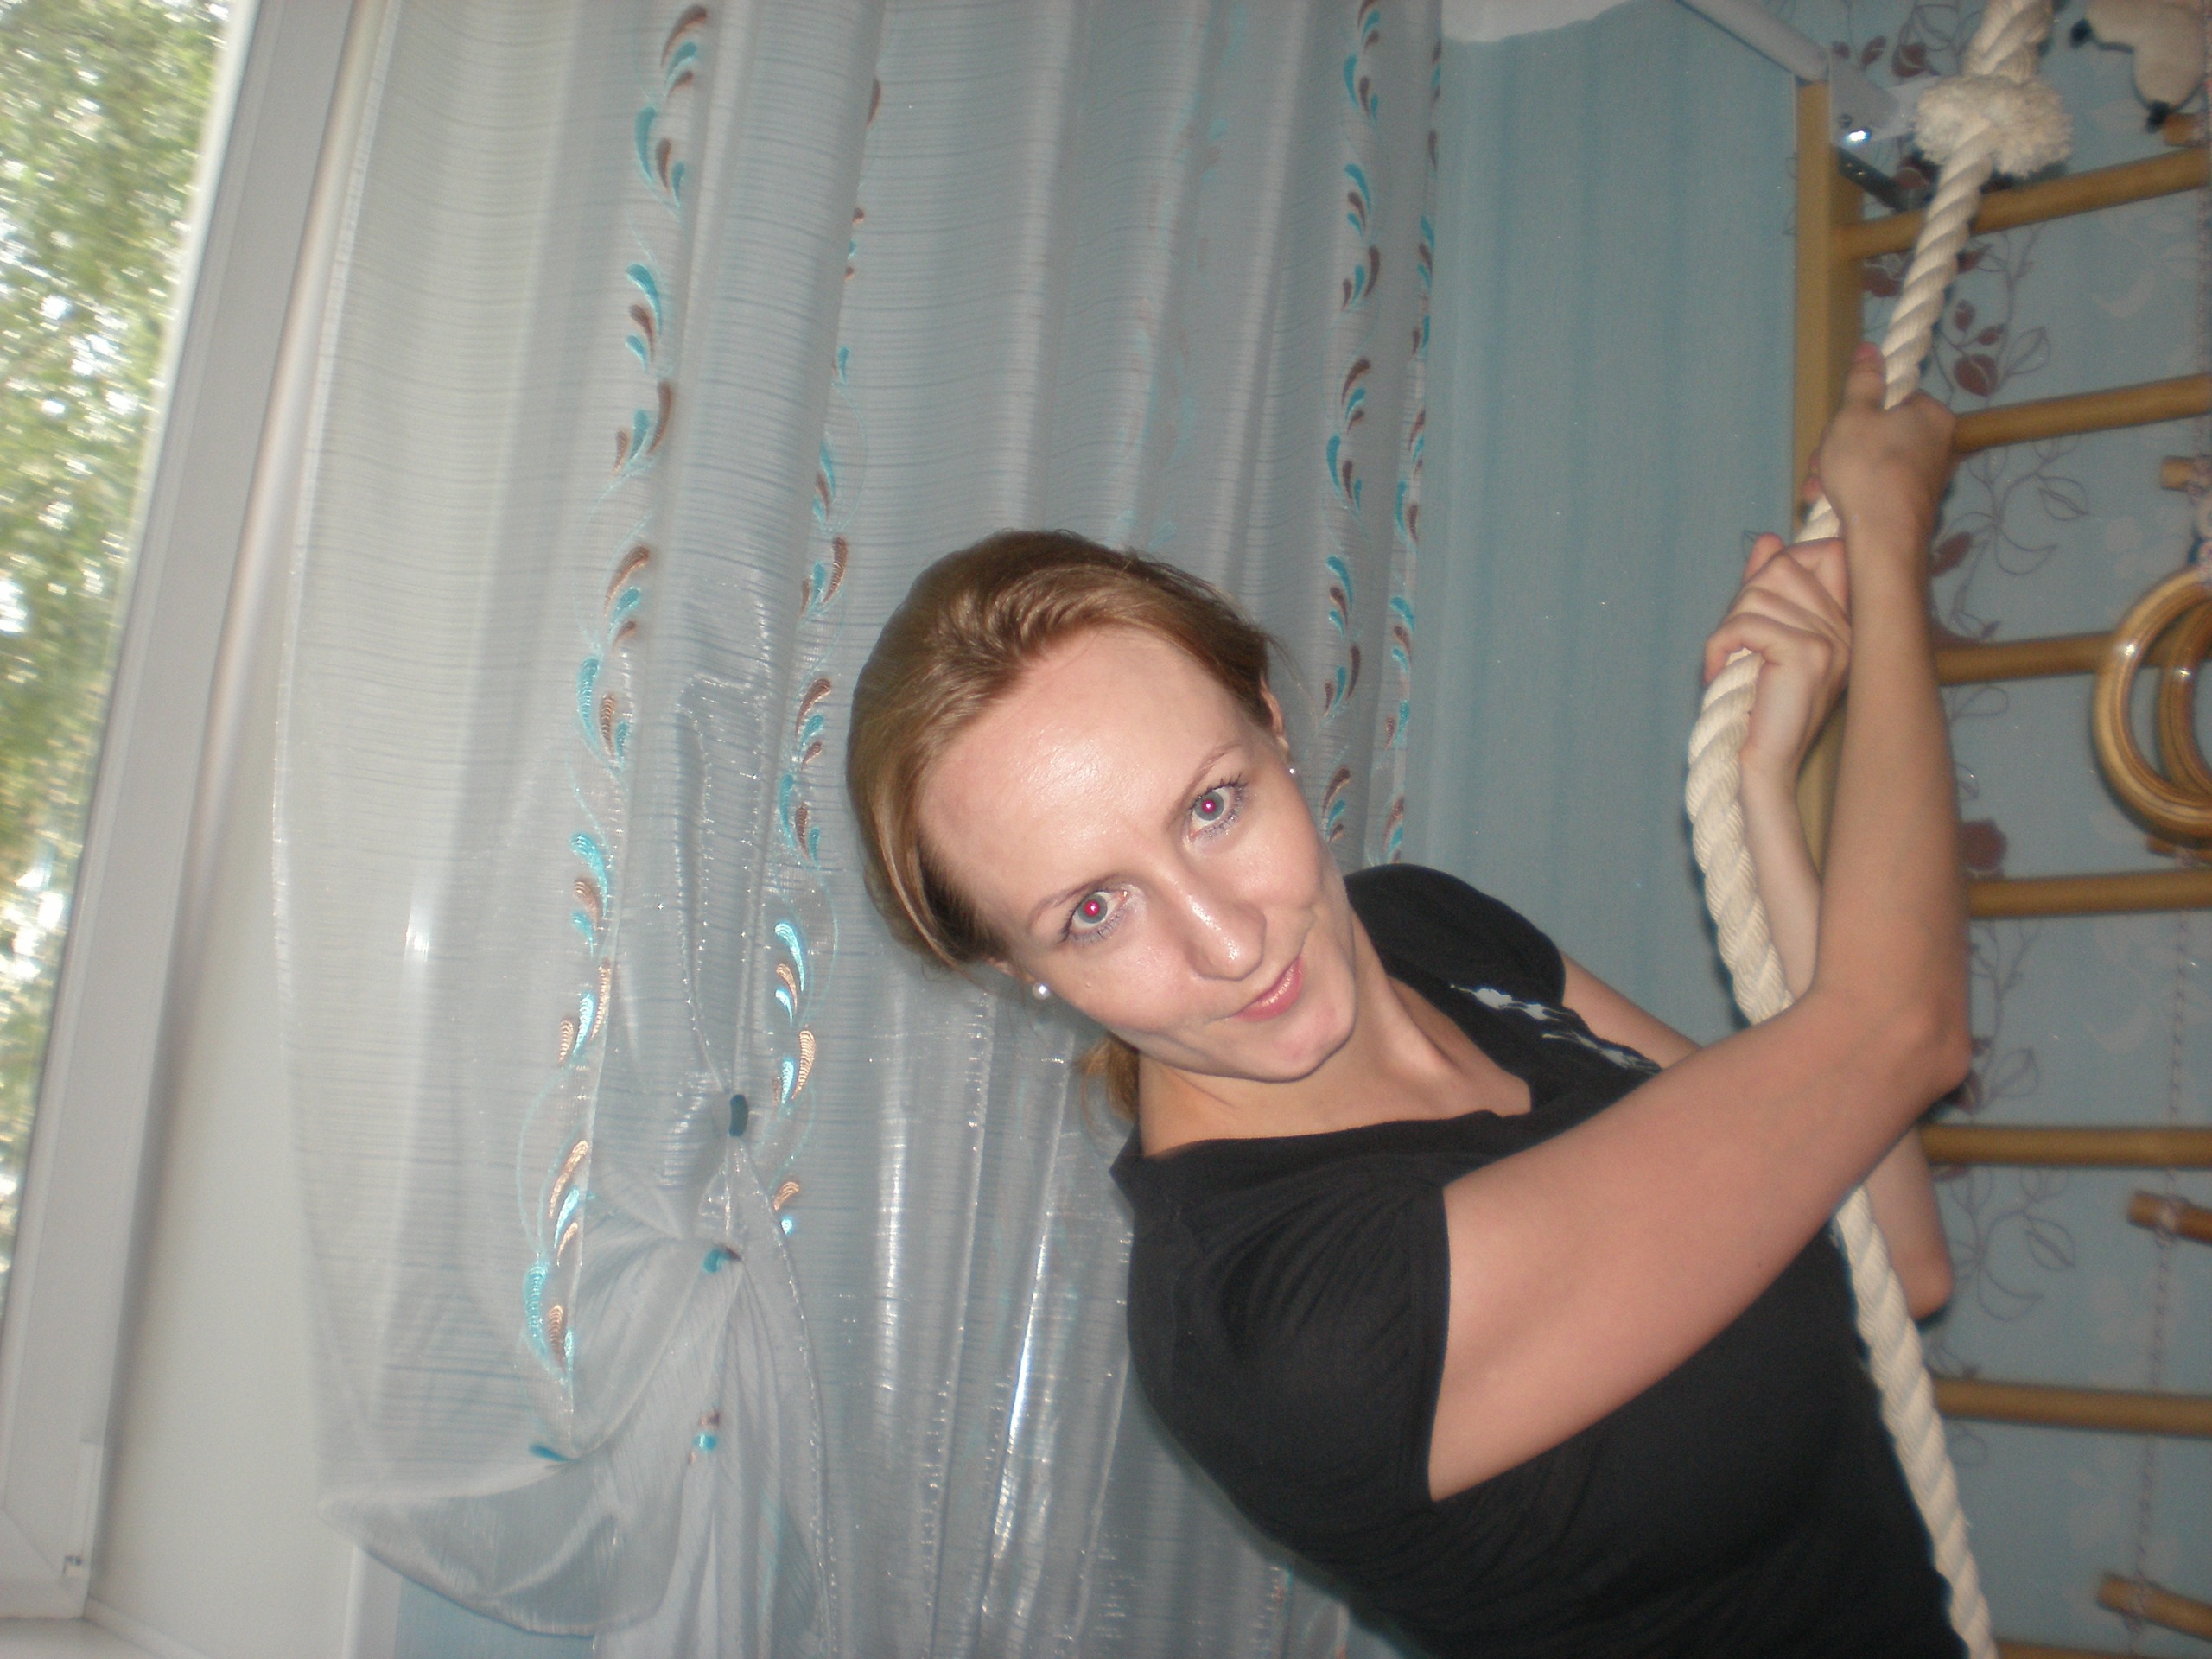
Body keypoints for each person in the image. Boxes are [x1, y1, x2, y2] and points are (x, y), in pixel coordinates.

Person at [844, 342, 1968, 1657]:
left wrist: (1767, 792)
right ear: (1018, 968)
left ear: (1274, 729)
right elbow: (1897, 1032)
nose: (1227, 941)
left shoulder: (1417, 927)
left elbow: (1889, 1250)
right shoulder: (1288, 1330)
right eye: (1094, 910)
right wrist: (1888, 551)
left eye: (1213, 806)